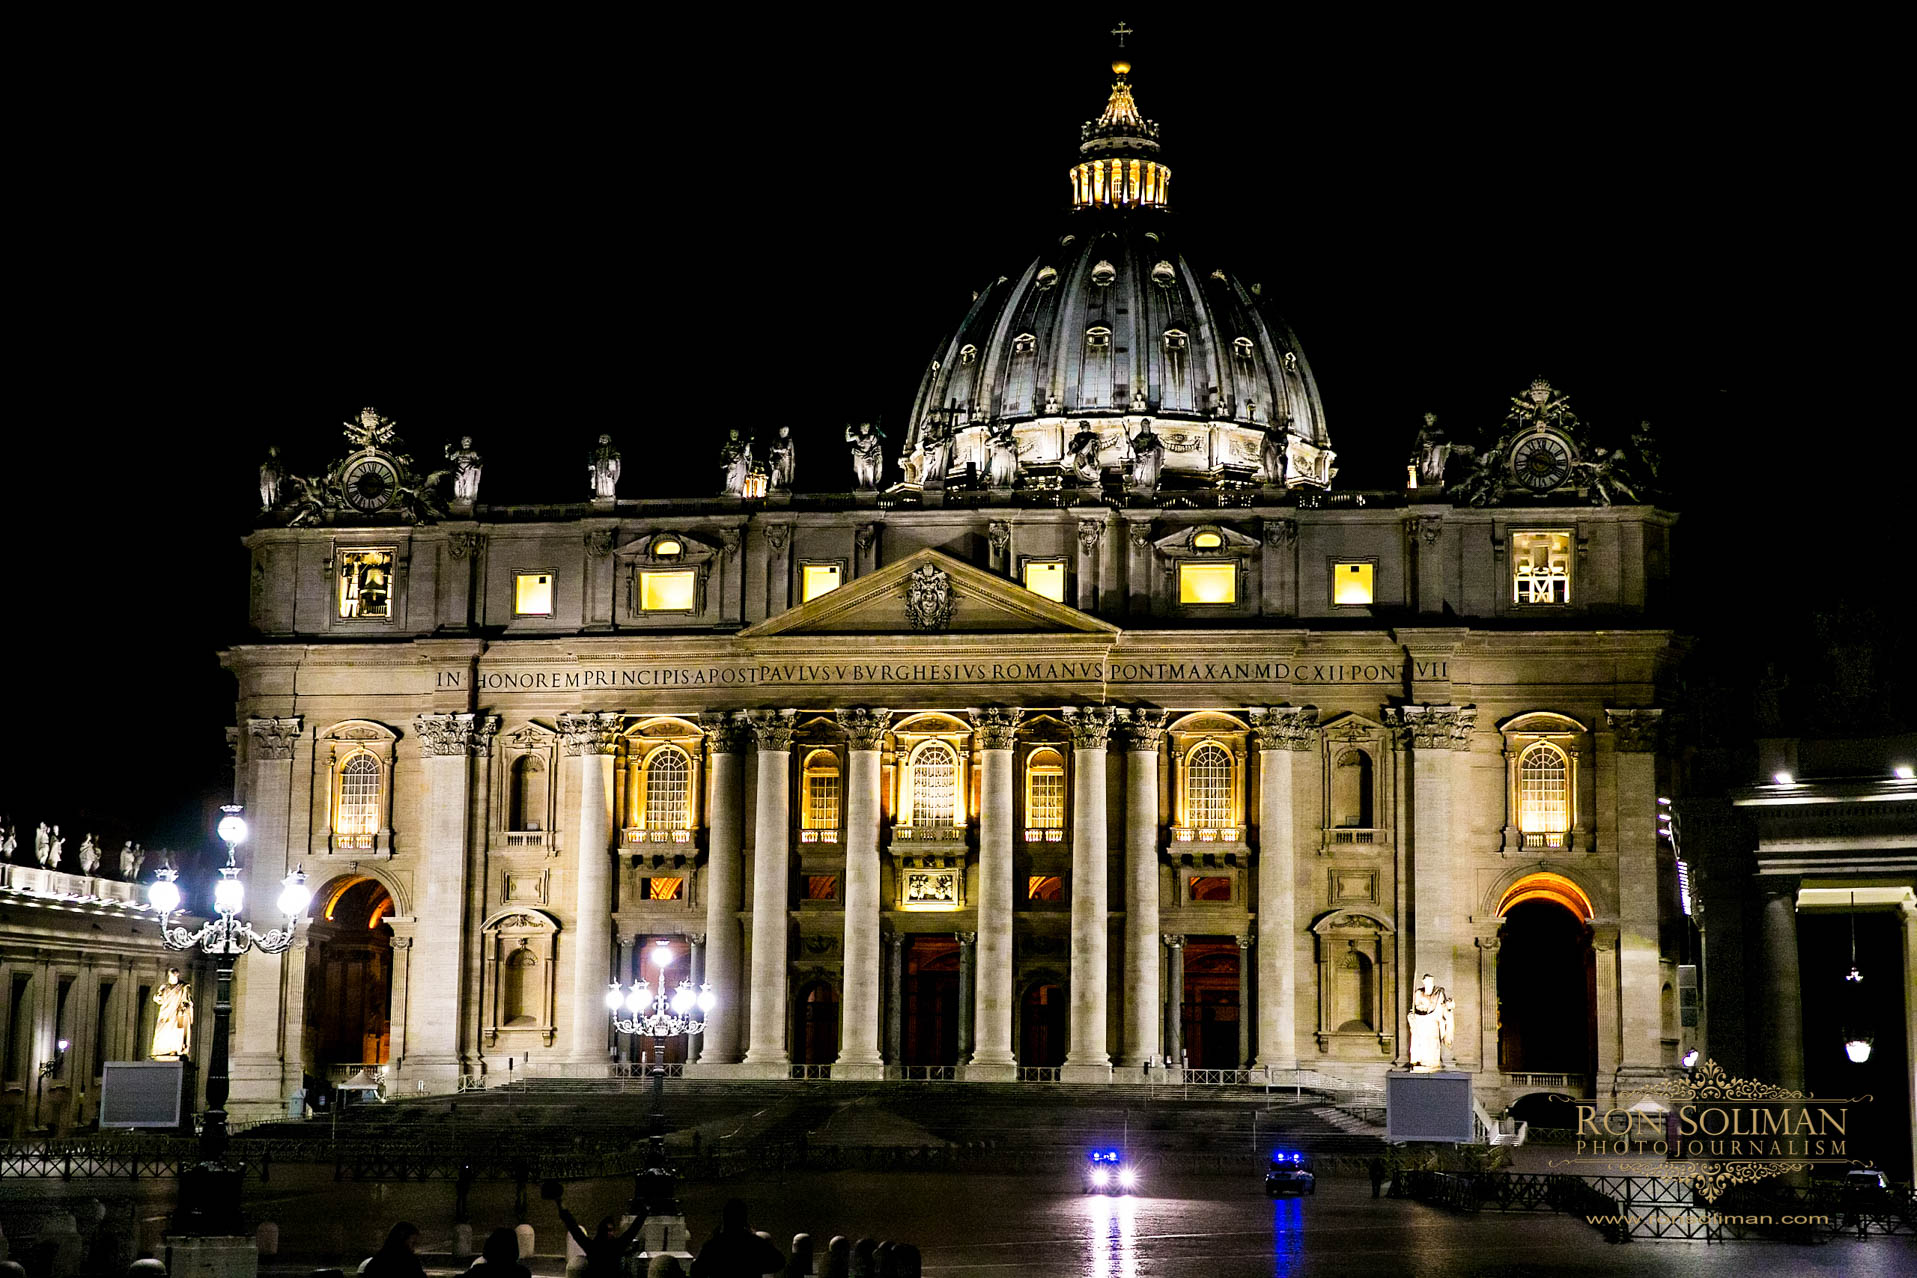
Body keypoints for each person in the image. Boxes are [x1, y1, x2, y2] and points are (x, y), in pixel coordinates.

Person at [689, 1199, 784, 1277]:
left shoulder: (714, 1245)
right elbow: (779, 1262)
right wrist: (754, 1267)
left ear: (725, 1219)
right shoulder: (754, 1243)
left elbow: (696, 1271)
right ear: (744, 1219)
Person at [557, 1201, 646, 1278]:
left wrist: (561, 1207)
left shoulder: (592, 1247)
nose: (610, 1233)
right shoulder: (616, 1246)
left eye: (611, 1230)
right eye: (608, 1230)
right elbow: (633, 1230)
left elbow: (574, 1228)